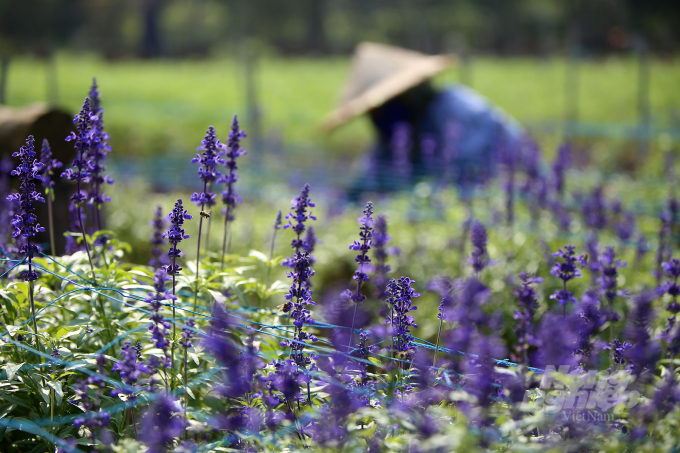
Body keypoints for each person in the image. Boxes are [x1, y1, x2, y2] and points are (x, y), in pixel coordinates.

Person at [322, 42, 522, 200]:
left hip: (513, 191)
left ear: (407, 94)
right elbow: (372, 175)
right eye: (370, 111)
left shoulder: (455, 109)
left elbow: (467, 176)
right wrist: (345, 202)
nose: (375, 117)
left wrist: (417, 196)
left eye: (381, 106)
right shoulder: (402, 130)